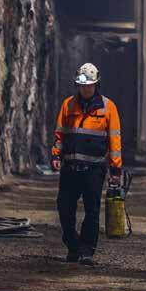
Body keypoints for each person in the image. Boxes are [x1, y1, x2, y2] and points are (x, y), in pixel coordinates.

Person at [51, 62, 122, 266]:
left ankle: (87, 250)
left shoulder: (108, 108)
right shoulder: (68, 105)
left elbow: (115, 140)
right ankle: (73, 244)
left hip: (94, 170)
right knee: (64, 208)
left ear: (96, 85)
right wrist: (56, 155)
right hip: (70, 167)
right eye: (82, 86)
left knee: (92, 212)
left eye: (89, 85)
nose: (85, 89)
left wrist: (115, 169)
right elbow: (60, 134)